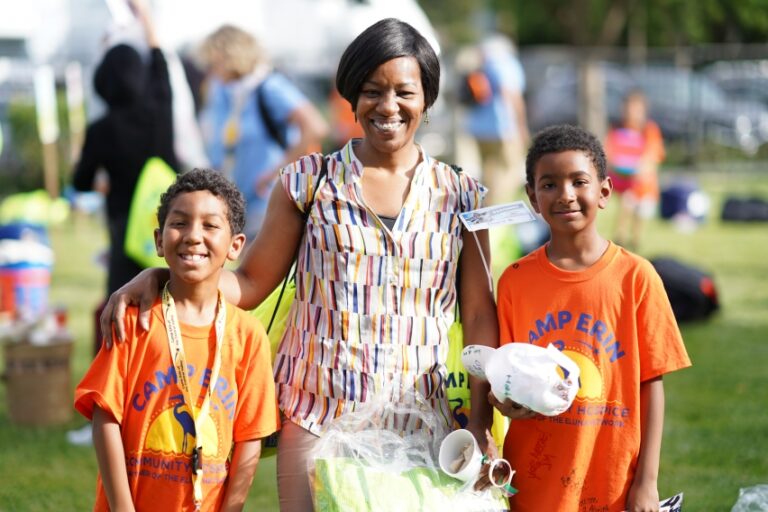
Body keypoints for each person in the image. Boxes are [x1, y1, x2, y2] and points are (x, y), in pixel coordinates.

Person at [101, 18, 498, 511]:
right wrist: (162, 276)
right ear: (351, 98)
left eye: (404, 92)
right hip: (316, 414)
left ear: (427, 99)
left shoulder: (462, 195)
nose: (388, 106)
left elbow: (480, 314)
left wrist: (480, 421)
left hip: (424, 423)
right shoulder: (308, 183)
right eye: (372, 91)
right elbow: (249, 284)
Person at [492, 124, 691, 511]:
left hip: (614, 481)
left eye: (578, 181)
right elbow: (506, 374)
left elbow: (653, 385)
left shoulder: (637, 277)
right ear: (532, 197)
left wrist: (647, 483)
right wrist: (506, 401)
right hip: (536, 480)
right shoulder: (514, 281)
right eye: (548, 184)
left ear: (604, 191)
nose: (565, 195)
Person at [74, 169, 279, 511]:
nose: (193, 236)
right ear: (158, 239)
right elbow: (105, 418)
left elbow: (250, 438)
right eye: (180, 223)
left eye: (210, 226)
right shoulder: (132, 321)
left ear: (235, 246)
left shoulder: (247, 335)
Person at [68, 0, 180, 446]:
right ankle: (160, 411)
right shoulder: (161, 110)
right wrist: (146, 22)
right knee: (166, 320)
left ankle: (107, 413)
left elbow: (79, 180)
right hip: (167, 234)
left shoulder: (102, 128)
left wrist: (104, 185)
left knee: (119, 320)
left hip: (123, 236)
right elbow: (161, 66)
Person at [197, 25, 328, 239]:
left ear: (230, 57)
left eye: (213, 62)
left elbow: (315, 127)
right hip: (233, 200)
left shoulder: (269, 86)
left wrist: (274, 173)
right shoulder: (223, 91)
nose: (210, 69)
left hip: (265, 202)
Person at [464, 34, 530, 206]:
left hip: (478, 128)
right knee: (509, 169)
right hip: (502, 128)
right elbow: (513, 97)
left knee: (488, 171)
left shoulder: (482, 67)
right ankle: (496, 211)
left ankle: (483, 207)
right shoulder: (506, 65)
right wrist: (521, 127)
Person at [605, 90, 666, 251]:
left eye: (636, 109)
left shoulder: (649, 130)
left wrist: (642, 167)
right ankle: (620, 237)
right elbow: (609, 152)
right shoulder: (617, 129)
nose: (631, 112)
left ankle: (635, 240)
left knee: (641, 209)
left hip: (644, 183)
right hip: (622, 180)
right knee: (628, 200)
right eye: (628, 108)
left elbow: (653, 155)